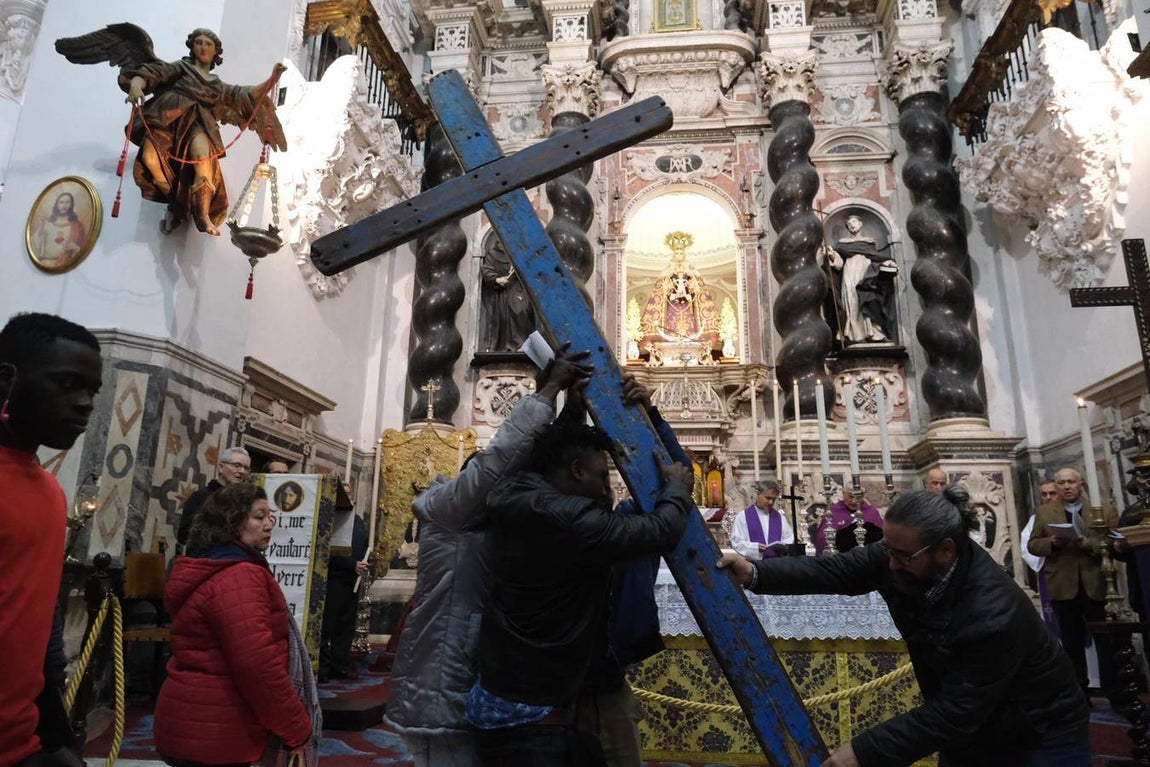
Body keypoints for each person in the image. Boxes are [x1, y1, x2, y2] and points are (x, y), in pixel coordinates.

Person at [718, 487, 1091, 767]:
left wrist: (861, 753)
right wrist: (756, 572)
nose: (890, 564)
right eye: (887, 551)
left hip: (1040, 733)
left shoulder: (993, 611)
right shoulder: (902, 554)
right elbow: (835, 569)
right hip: (973, 731)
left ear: (945, 550)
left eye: (902, 557)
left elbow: (955, 713)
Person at [386, 348, 593, 766]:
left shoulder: (488, 512)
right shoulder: (448, 506)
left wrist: (569, 413)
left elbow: (533, 474)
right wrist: (546, 391)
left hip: (478, 676)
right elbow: (499, 463)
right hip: (440, 684)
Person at [466, 418, 694, 766]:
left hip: (523, 685)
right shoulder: (572, 521)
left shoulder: (516, 496)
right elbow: (661, 528)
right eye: (602, 476)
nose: (607, 489)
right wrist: (676, 489)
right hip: (542, 704)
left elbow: (665, 485)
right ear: (576, 470)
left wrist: (651, 417)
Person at [56, 24, 287, 236]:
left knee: (203, 165)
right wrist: (136, 87)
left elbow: (245, 95)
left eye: (208, 44)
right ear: (192, 46)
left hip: (198, 124)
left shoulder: (217, 86)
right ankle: (177, 202)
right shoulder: (181, 68)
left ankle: (203, 216)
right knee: (148, 157)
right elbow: (150, 74)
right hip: (165, 119)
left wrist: (272, 78)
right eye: (199, 42)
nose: (203, 47)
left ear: (216, 51)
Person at [0, 313, 102, 767]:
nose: (84, 404)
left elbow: (34, 625)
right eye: (67, 383)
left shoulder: (48, 492)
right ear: (7, 379)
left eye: (92, 392)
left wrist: (51, 730)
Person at [155, 483, 318, 767]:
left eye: (270, 516)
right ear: (231, 522)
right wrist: (296, 728)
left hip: (195, 718)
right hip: (217, 726)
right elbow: (257, 664)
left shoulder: (212, 564)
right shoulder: (238, 575)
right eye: (258, 516)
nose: (269, 524)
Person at [1028, 467, 1118, 696]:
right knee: (1071, 641)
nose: (1066, 486)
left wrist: (1090, 545)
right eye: (1061, 483)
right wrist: (1052, 543)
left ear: (1081, 484)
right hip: (1063, 585)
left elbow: (1115, 543)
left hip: (1096, 583)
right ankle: (1078, 692)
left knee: (1105, 640)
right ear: (1055, 487)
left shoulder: (1102, 511)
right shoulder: (1045, 512)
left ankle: (1113, 688)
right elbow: (1033, 545)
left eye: (1071, 482)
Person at [825, 214, 898, 345]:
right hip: (850, 273)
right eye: (849, 224)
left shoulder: (869, 243)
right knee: (852, 302)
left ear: (860, 223)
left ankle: (873, 332)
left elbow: (876, 257)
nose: (852, 225)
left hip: (866, 273)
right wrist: (832, 255)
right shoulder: (842, 244)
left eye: (854, 221)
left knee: (868, 298)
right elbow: (839, 264)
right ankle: (854, 335)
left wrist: (886, 262)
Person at [319, 505, 369, 682]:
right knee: (327, 625)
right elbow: (325, 550)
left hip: (351, 580)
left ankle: (339, 665)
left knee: (345, 627)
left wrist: (361, 562)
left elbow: (362, 545)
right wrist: (351, 564)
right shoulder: (327, 518)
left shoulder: (357, 521)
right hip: (333, 579)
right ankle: (322, 667)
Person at [176, 445, 251, 553]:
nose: (242, 471)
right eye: (237, 465)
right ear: (221, 467)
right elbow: (184, 535)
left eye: (246, 468)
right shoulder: (201, 497)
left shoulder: (243, 501)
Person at [479, 238, 536, 353]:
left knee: (522, 311)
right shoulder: (493, 255)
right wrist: (496, 279)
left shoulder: (519, 254)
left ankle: (522, 343)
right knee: (504, 317)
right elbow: (486, 270)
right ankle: (505, 346)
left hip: (518, 289)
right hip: (502, 293)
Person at [1020, 480, 1060, 635]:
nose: (1048, 497)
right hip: (1049, 571)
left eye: (1052, 493)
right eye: (1044, 494)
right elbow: (1026, 545)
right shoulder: (1036, 518)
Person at [730, 481, 794, 560]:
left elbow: (789, 539)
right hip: (753, 565)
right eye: (768, 498)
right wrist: (755, 547)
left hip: (777, 565)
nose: (771, 502)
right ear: (758, 495)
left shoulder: (780, 518)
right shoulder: (743, 516)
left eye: (774, 499)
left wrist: (782, 546)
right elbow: (737, 542)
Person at [814, 486, 883, 555]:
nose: (854, 501)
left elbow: (883, 537)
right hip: (840, 558)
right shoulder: (833, 511)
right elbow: (822, 539)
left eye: (858, 497)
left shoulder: (871, 512)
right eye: (850, 496)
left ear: (864, 496)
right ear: (843, 493)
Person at [30, 192, 87, 269]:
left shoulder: (77, 225)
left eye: (67, 202)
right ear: (57, 205)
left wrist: (76, 248)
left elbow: (84, 248)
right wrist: (40, 231)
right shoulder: (47, 224)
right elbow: (34, 245)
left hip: (67, 265)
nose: (64, 205)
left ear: (71, 205)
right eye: (61, 202)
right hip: (46, 264)